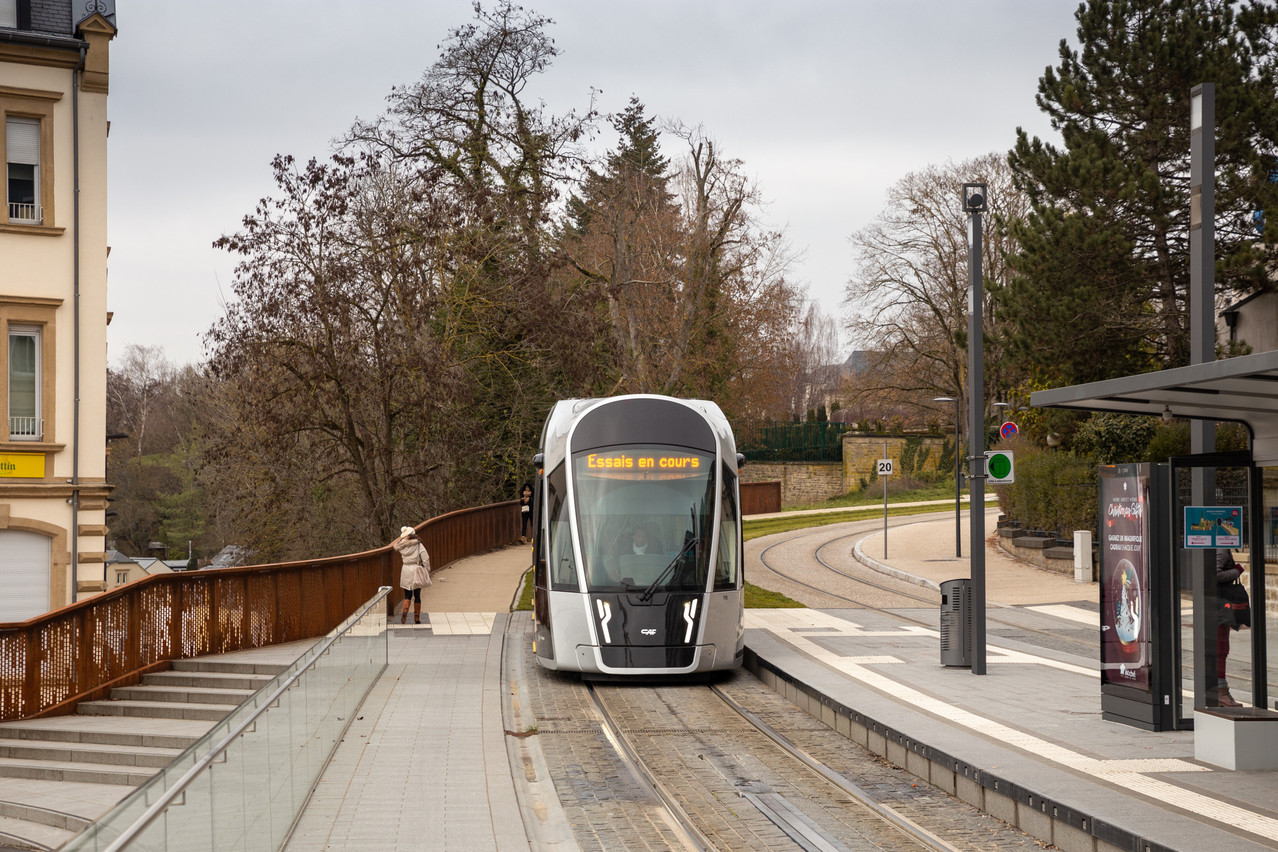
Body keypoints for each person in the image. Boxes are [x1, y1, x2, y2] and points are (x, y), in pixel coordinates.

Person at [1215, 549, 1244, 707]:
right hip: (1219, 604)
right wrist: (1237, 570)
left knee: (1219, 646)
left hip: (1213, 601)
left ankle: (1218, 689)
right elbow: (1216, 574)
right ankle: (1220, 691)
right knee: (1221, 646)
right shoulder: (1221, 547)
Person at [393, 526, 432, 624]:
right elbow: (425, 558)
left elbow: (396, 547)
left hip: (406, 569)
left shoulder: (401, 546)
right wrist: (427, 570)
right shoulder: (418, 545)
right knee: (417, 594)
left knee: (407, 594)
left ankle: (405, 611)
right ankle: (417, 617)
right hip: (416, 569)